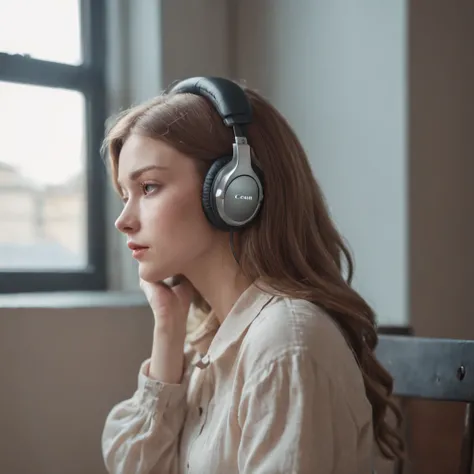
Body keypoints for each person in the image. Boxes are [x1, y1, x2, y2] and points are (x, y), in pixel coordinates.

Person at [101, 77, 403, 474]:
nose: (124, 220)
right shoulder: (211, 339)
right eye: (126, 195)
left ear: (233, 193)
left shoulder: (286, 344)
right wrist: (168, 329)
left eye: (149, 187)